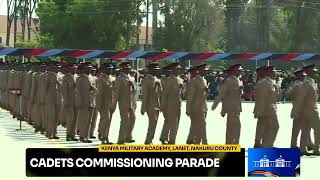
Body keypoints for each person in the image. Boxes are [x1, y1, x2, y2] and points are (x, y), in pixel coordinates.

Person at [211, 64, 243, 144]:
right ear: (234, 71)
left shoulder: (238, 80)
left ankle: (229, 146)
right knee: (235, 129)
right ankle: (233, 146)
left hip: (236, 109)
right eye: (239, 70)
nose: (240, 71)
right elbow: (222, 94)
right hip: (232, 109)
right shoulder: (229, 81)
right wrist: (215, 105)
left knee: (232, 129)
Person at [296, 65, 320, 155]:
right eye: (313, 71)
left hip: (312, 108)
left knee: (308, 129)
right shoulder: (306, 83)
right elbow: (301, 97)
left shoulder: (312, 81)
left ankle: (306, 148)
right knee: (312, 129)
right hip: (309, 110)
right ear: (308, 72)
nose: (314, 73)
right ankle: (314, 149)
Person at [254, 66, 279, 148]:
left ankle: (264, 144)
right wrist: (259, 111)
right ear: (267, 73)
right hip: (267, 110)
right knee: (274, 127)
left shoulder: (271, 82)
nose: (274, 73)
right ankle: (267, 145)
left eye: (274, 71)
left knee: (266, 127)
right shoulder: (265, 83)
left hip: (270, 109)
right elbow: (261, 98)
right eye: (272, 72)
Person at [160, 62, 183, 144]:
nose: (179, 71)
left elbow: (181, 93)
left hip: (178, 104)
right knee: (173, 123)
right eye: (177, 69)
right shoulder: (169, 80)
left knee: (171, 121)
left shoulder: (180, 79)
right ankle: (171, 140)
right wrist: (162, 106)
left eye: (180, 69)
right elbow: (165, 93)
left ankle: (163, 137)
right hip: (170, 104)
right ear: (173, 70)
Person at [186, 64, 209, 144]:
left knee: (196, 126)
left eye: (206, 70)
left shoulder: (204, 80)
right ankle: (205, 143)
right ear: (200, 71)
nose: (206, 72)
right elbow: (190, 96)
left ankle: (195, 142)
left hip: (203, 107)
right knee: (202, 125)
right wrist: (188, 109)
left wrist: (207, 92)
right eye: (204, 70)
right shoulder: (194, 81)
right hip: (196, 107)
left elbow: (204, 96)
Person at [115, 62, 136, 144]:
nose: (128, 69)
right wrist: (114, 103)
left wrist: (133, 86)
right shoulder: (119, 78)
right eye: (126, 68)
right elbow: (117, 92)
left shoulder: (132, 78)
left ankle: (128, 136)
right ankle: (121, 139)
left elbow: (135, 91)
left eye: (129, 68)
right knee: (125, 120)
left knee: (133, 119)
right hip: (123, 102)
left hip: (131, 102)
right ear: (122, 69)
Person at [141, 63, 162, 144]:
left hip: (157, 105)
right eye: (154, 70)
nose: (156, 71)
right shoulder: (146, 81)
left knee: (154, 123)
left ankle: (150, 139)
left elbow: (161, 93)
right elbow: (145, 95)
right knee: (153, 122)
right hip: (150, 105)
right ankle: (148, 140)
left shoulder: (158, 80)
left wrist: (159, 86)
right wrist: (143, 108)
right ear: (150, 70)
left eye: (157, 70)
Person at [75, 62, 97, 143]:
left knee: (89, 120)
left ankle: (86, 136)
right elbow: (77, 91)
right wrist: (79, 102)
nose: (89, 69)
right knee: (84, 120)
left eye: (90, 68)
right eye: (87, 68)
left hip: (91, 101)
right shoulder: (80, 78)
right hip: (83, 102)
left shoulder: (92, 78)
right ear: (83, 69)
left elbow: (94, 90)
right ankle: (82, 136)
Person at [96, 63, 116, 144]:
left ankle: (103, 134)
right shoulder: (101, 79)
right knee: (106, 120)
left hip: (111, 103)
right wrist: (98, 105)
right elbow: (99, 93)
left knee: (108, 120)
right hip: (104, 103)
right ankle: (104, 137)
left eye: (111, 68)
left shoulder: (113, 78)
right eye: (108, 68)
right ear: (103, 70)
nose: (110, 70)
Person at [61, 63, 78, 141]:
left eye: (75, 68)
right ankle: (68, 134)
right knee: (70, 119)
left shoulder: (77, 77)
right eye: (73, 68)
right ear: (69, 69)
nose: (74, 69)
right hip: (69, 101)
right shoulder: (66, 78)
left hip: (77, 101)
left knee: (75, 119)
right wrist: (66, 101)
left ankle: (73, 135)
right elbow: (64, 91)